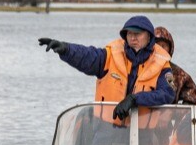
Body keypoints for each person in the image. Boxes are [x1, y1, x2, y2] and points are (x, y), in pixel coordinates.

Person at [38, 15, 175, 123]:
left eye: (138, 34)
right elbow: (87, 56)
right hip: (107, 128)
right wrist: (66, 49)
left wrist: (135, 99)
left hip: (144, 133)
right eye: (129, 33)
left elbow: (167, 94)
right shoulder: (110, 56)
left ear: (149, 36)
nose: (133, 37)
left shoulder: (161, 63)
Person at [154, 26, 196, 105]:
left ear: (170, 48)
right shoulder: (141, 68)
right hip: (143, 115)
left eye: (163, 46)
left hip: (169, 116)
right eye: (157, 46)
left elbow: (194, 97)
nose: (160, 49)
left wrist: (181, 113)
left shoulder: (178, 74)